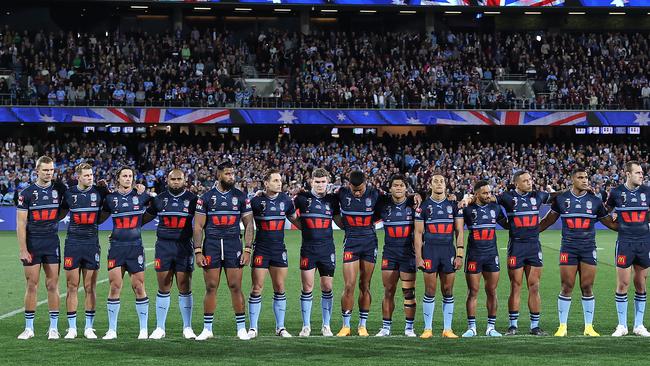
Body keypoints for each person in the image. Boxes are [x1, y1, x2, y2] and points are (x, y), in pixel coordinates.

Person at [539, 167, 618, 337]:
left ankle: (589, 327)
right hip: (568, 247)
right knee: (566, 286)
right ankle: (562, 326)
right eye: (580, 177)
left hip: (588, 248)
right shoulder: (561, 199)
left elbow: (610, 223)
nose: (585, 180)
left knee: (587, 286)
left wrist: (629, 225)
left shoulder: (595, 201)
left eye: (586, 177)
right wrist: (527, 232)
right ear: (572, 180)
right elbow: (546, 222)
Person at [193, 161, 255, 341]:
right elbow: (198, 226)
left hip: (233, 244)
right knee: (211, 286)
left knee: (235, 286)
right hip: (211, 244)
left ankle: (241, 328)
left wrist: (248, 249)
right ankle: (207, 329)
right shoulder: (205, 198)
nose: (231, 177)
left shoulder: (241, 197)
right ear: (219, 175)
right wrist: (198, 251)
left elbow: (249, 224)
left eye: (232, 174)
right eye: (227, 174)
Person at [144, 169, 198, 340]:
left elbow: (203, 220)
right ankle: (160, 328)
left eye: (179, 179)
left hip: (184, 247)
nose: (175, 182)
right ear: (167, 180)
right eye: (172, 179)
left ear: (185, 180)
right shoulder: (159, 199)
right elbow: (143, 218)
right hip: (164, 247)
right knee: (163, 286)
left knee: (184, 286)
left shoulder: (193, 200)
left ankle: (187, 327)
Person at [16, 156, 66, 340]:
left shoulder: (59, 189)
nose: (49, 173)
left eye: (52, 170)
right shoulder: (26, 193)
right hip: (33, 243)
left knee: (52, 284)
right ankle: (29, 328)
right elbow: (21, 224)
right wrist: (23, 249)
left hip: (52, 242)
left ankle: (53, 328)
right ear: (37, 170)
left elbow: (70, 204)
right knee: (32, 285)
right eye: (45, 170)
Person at [100, 166, 153, 340]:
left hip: (135, 247)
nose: (128, 178)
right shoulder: (110, 199)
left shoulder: (141, 196)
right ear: (118, 178)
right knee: (115, 286)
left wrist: (138, 226)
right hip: (116, 247)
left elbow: (156, 207)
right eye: (125, 176)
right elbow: (99, 218)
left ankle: (143, 329)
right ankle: (112, 330)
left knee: (138, 286)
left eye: (130, 176)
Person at [247, 169, 300, 338]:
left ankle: (281, 327)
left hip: (279, 249)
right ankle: (253, 328)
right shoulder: (256, 201)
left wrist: (312, 231)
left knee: (280, 287)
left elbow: (294, 219)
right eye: (275, 180)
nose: (279, 183)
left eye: (280, 180)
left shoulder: (286, 200)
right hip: (261, 249)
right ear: (266, 183)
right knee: (257, 288)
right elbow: (246, 222)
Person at [415, 174, 464, 339]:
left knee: (447, 290)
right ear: (430, 185)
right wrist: (418, 257)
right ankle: (427, 329)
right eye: (435, 181)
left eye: (442, 180)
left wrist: (460, 254)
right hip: (430, 251)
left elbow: (459, 232)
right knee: (430, 290)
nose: (439, 183)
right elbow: (418, 233)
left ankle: (447, 329)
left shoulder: (453, 206)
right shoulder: (424, 207)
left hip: (448, 251)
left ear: (446, 184)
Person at [293, 168, 340, 337]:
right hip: (308, 249)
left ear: (328, 182)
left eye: (323, 182)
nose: (320, 185)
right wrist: (302, 226)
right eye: (317, 182)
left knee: (327, 287)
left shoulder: (332, 200)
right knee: (307, 287)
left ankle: (326, 325)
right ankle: (306, 326)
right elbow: (288, 212)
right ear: (311, 181)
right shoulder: (302, 198)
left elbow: (339, 221)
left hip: (327, 249)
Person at [605, 161, 650, 337]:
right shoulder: (616, 192)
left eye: (642, 173)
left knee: (640, 283)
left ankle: (638, 325)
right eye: (638, 172)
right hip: (624, 242)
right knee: (623, 283)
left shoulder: (647, 191)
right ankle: (622, 325)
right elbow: (604, 211)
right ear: (628, 174)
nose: (641, 175)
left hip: (644, 242)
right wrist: (613, 220)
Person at [459, 180, 508, 337]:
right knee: (473, 291)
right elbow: (458, 228)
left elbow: (506, 224)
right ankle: (471, 327)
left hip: (491, 255)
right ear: (477, 194)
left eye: (489, 192)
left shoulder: (495, 207)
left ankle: (491, 327)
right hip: (474, 255)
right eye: (485, 193)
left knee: (492, 291)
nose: (488, 195)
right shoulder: (468, 210)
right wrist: (464, 200)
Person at [375, 174, 417, 337]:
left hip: (408, 254)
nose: (398, 188)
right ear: (390, 188)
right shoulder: (383, 204)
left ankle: (409, 328)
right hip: (390, 253)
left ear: (406, 188)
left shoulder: (413, 204)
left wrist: (418, 194)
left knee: (409, 292)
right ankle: (386, 327)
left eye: (401, 185)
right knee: (388, 290)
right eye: (395, 185)